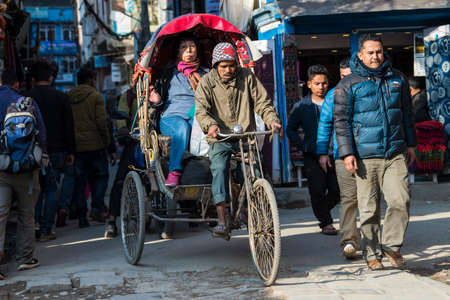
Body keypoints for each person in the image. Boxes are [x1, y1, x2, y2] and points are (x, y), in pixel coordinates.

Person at [334, 34, 417, 270]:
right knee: (369, 209)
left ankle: (391, 245)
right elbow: (341, 121)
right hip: (364, 156)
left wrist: (411, 144)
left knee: (401, 200)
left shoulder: (398, 79)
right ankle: (371, 252)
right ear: (359, 55)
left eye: (378, 51)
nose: (375, 56)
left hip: (395, 153)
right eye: (370, 52)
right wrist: (347, 153)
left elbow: (407, 115)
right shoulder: (348, 84)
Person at [195, 42, 281, 237]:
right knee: (219, 168)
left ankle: (255, 212)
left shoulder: (247, 77)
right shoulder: (207, 82)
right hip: (220, 137)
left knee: (255, 172)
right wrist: (211, 126)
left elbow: (262, 102)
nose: (228, 70)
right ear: (216, 65)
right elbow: (201, 111)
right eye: (223, 66)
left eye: (231, 65)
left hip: (245, 136)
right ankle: (222, 219)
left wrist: (273, 121)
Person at [0, 70, 47, 279]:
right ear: (17, 84)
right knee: (26, 214)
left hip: (1, 167)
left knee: (0, 214)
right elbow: (41, 133)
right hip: (28, 168)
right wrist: (41, 157)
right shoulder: (26, 101)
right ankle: (26, 258)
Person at [24, 60, 75, 240]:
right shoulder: (61, 97)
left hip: (32, 151)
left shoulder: (26, 98)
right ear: (51, 78)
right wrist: (71, 151)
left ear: (32, 78)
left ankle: (35, 226)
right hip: (58, 150)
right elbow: (69, 126)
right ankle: (47, 229)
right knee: (52, 189)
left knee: (35, 190)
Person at [287, 64, 340, 235]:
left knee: (337, 190)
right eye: (317, 84)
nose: (321, 87)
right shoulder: (302, 106)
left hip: (335, 153)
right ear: (309, 84)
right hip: (312, 155)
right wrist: (303, 146)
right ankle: (326, 222)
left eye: (324, 83)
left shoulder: (335, 102)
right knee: (317, 190)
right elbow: (290, 129)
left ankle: (322, 210)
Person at [149, 35, 209, 186]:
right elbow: (158, 102)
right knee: (183, 128)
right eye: (184, 47)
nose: (189, 50)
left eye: (192, 46)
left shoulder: (206, 73)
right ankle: (174, 170)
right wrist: (156, 100)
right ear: (177, 52)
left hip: (198, 116)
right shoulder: (168, 73)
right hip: (172, 118)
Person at [316, 58, 359, 257]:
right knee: (348, 198)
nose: (347, 80)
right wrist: (322, 152)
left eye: (350, 76)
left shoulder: (367, 89)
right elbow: (325, 125)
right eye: (343, 77)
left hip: (368, 153)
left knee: (369, 200)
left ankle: (372, 240)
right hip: (342, 153)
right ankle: (349, 241)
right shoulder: (333, 95)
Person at [68, 68, 113, 228]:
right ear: (89, 80)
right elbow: (102, 123)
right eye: (94, 79)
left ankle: (82, 216)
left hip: (77, 148)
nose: (95, 82)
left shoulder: (68, 97)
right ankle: (96, 207)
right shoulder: (96, 97)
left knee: (80, 182)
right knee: (101, 177)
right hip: (96, 146)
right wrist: (108, 144)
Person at [105, 87, 138, 238]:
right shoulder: (130, 94)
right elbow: (121, 117)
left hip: (157, 141)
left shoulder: (161, 89)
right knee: (120, 180)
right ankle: (111, 221)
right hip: (134, 140)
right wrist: (124, 130)